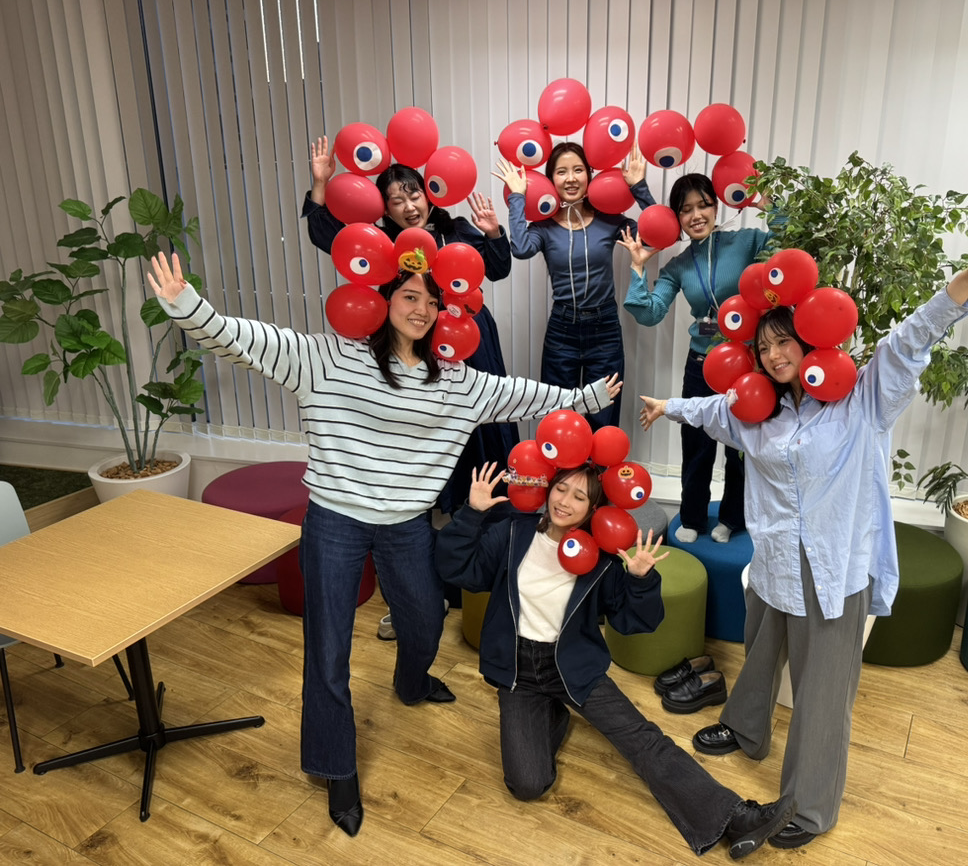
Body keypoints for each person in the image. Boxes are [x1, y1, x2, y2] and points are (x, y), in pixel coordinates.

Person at [146, 251, 622, 838]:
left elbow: (523, 395)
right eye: (409, 296)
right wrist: (186, 304)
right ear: (383, 299)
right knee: (328, 649)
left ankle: (412, 681)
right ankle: (335, 767)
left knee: (425, 621)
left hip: (407, 525)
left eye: (432, 301)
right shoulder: (327, 358)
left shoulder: (458, 382)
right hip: (335, 520)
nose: (422, 310)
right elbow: (246, 341)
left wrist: (588, 397)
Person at [637, 225, 968, 848]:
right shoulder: (758, 413)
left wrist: (965, 283)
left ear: (810, 338)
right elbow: (714, 410)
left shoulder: (862, 401)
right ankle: (746, 729)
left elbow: (907, 343)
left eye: (784, 341)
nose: (774, 354)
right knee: (760, 649)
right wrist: (669, 405)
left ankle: (810, 805)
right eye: (764, 346)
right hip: (775, 557)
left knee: (822, 693)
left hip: (833, 566)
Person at [435, 462, 795, 859]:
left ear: (593, 508)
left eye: (579, 497)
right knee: (527, 785)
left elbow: (637, 622)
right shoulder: (512, 533)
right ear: (548, 489)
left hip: (573, 667)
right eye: (561, 489)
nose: (564, 502)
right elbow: (456, 569)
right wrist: (471, 514)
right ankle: (552, 715)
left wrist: (640, 579)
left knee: (643, 740)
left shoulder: (600, 557)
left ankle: (737, 816)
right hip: (518, 671)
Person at [303, 137, 519, 514]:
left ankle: (494, 499)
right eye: (396, 201)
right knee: (430, 419)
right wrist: (320, 183)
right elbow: (326, 235)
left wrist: (492, 232)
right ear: (385, 208)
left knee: (480, 409)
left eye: (414, 195)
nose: (409, 206)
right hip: (414, 339)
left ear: (427, 194)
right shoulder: (383, 240)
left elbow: (498, 269)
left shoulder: (456, 230)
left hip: (468, 333)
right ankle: (440, 502)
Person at [618, 173, 772, 543]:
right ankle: (692, 517)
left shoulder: (748, 241)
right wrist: (638, 269)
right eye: (686, 210)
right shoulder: (678, 264)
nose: (696, 215)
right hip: (702, 363)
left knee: (741, 446)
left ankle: (733, 519)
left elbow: (791, 249)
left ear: (716, 207)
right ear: (677, 218)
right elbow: (650, 312)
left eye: (703, 205)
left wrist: (771, 206)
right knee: (697, 444)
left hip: (749, 363)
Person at [493, 142, 654, 431]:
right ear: (550, 179)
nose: (570, 178)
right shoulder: (543, 226)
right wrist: (518, 196)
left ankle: (598, 463)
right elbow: (520, 248)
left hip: (605, 330)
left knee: (603, 419)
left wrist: (638, 187)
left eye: (578, 170)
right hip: (562, 332)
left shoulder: (609, 220)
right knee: (559, 419)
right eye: (561, 172)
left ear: (589, 175)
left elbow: (656, 233)